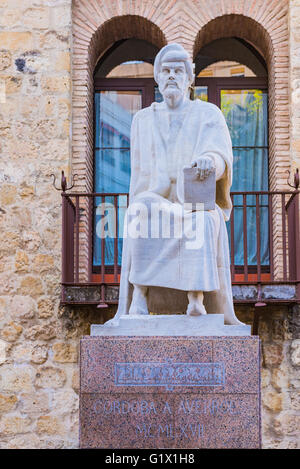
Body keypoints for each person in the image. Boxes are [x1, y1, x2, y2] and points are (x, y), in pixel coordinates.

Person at [112, 43, 242, 326]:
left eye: (178, 71)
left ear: (189, 79)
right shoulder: (142, 120)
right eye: (166, 71)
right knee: (139, 210)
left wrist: (210, 161)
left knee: (204, 219)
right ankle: (140, 298)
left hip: (192, 200)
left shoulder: (208, 114)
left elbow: (221, 156)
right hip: (159, 198)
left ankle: (195, 300)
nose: (172, 75)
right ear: (158, 78)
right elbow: (139, 176)